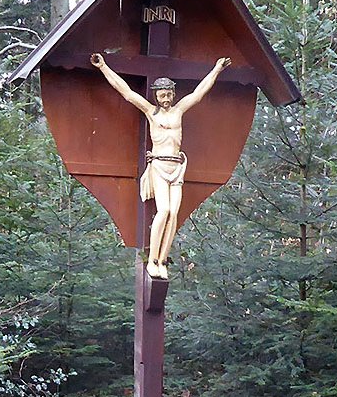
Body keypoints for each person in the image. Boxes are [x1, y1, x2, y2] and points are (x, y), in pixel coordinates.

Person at [89, 51, 231, 279]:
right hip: (159, 166)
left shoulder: (179, 110)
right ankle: (152, 258)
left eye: (169, 94)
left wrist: (216, 69)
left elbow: (199, 93)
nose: (166, 99)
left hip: (177, 167)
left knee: (174, 214)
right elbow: (125, 92)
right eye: (162, 95)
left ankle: (163, 260)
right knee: (163, 210)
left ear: (173, 94)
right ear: (156, 96)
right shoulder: (150, 111)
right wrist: (103, 66)